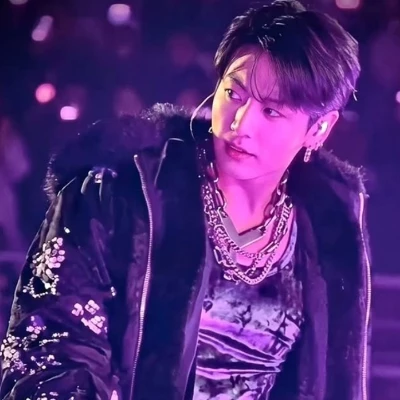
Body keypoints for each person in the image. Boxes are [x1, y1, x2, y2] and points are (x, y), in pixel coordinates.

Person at [0, 1, 371, 399]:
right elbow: (52, 350)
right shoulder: (121, 193)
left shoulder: (329, 229)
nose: (241, 124)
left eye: (272, 112)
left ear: (318, 129)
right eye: (234, 93)